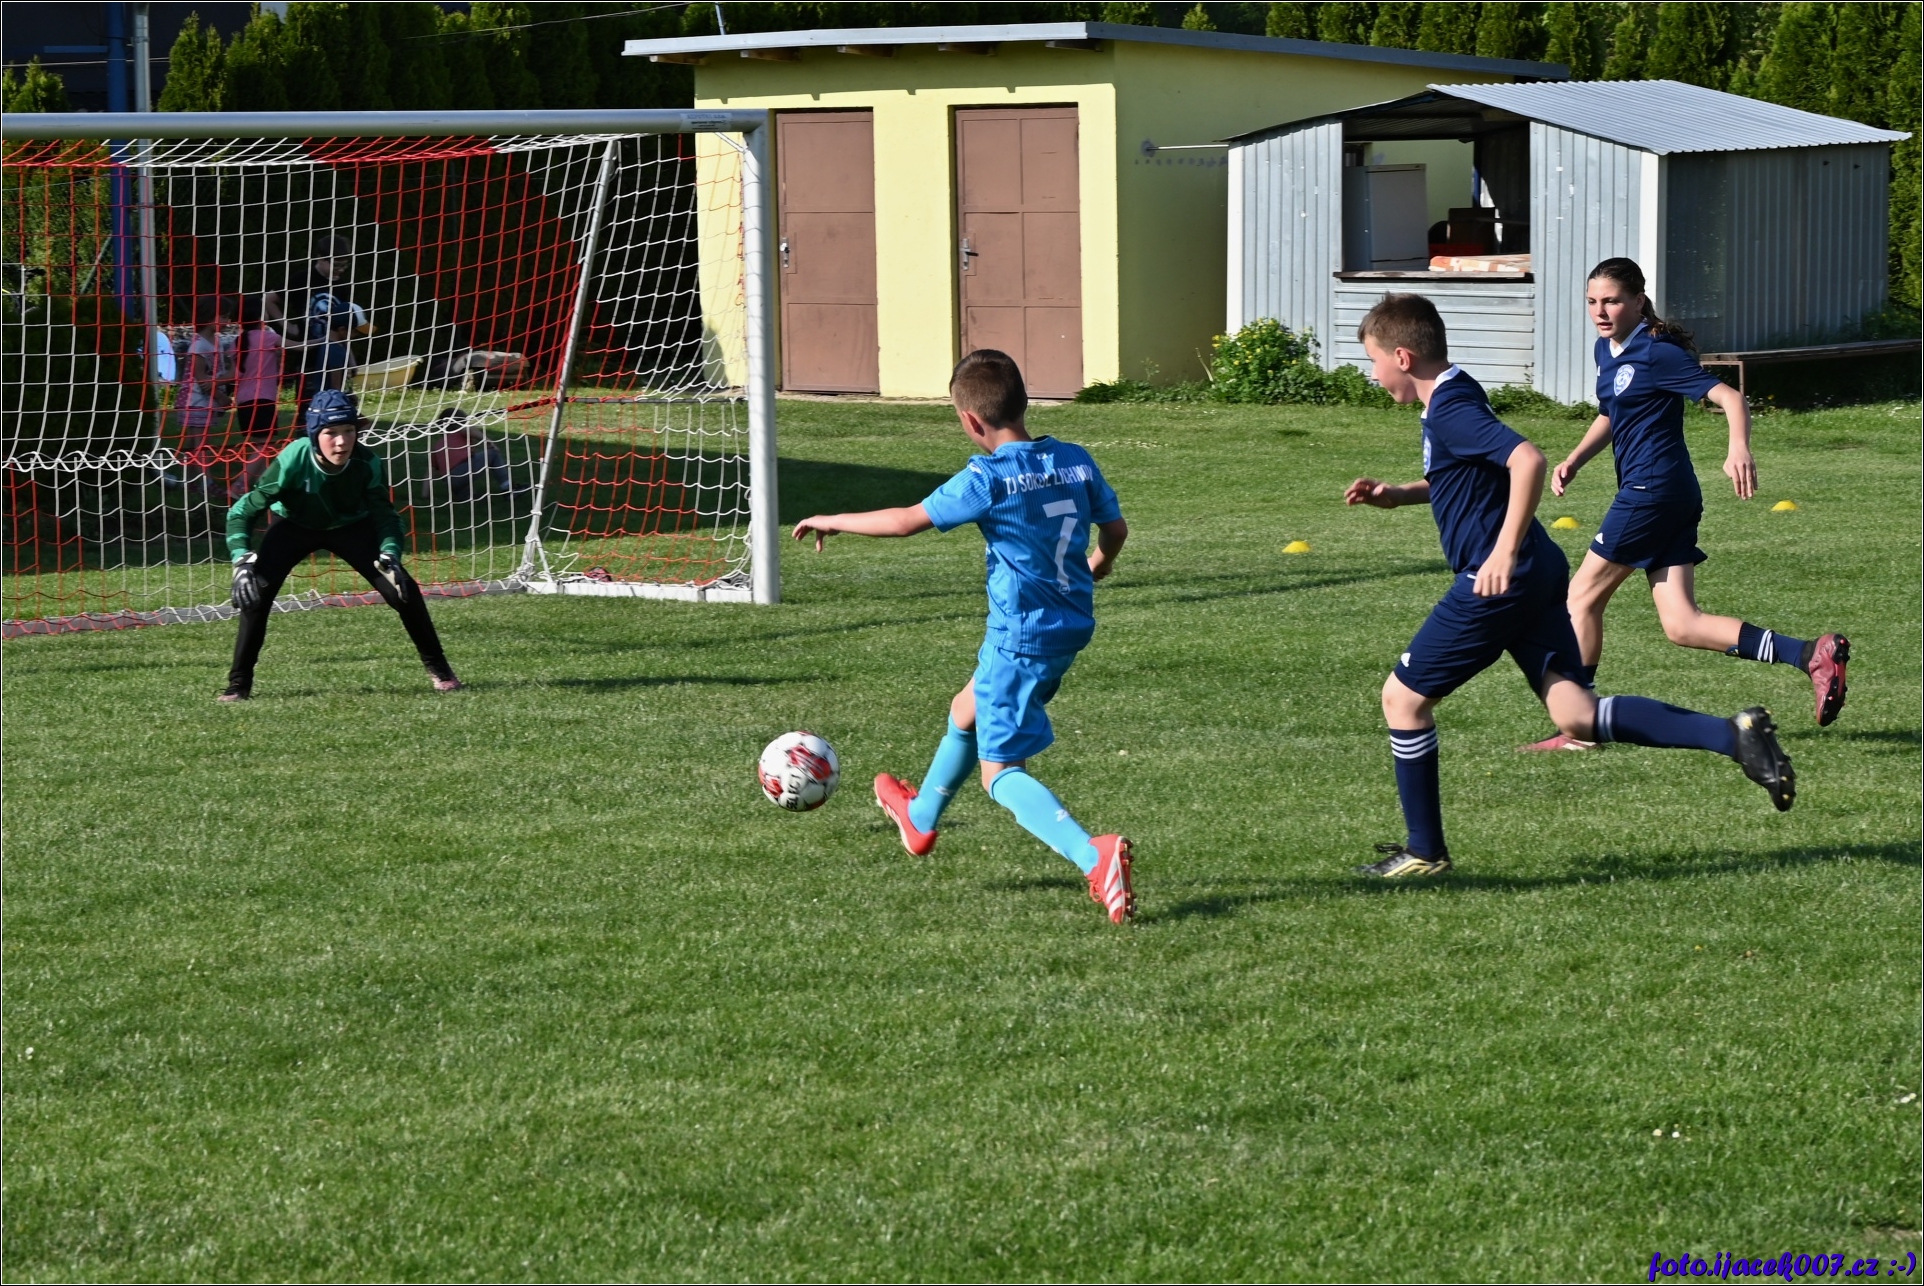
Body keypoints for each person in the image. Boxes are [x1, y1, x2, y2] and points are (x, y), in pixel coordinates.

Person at [1343, 294, 1795, 878]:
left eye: (1374, 361)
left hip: (1498, 577)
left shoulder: (1450, 406)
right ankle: (1734, 736)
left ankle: (1424, 850)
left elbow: (1526, 460)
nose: (1373, 374)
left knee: (1402, 700)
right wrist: (1399, 494)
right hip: (1536, 571)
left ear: (1402, 357)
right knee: (1578, 715)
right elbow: (1467, 474)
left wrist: (1502, 552)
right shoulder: (1454, 394)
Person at [791, 349, 1137, 924]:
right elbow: (1116, 529)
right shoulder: (1075, 459)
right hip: (1070, 624)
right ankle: (920, 817)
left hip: (1021, 637)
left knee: (1000, 773)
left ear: (971, 421)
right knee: (965, 708)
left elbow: (906, 520)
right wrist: (1096, 567)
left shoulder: (988, 478)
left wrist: (833, 518)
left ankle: (1091, 856)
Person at [1521, 257, 1848, 751]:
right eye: (1592, 302)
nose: (1600, 311)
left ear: (1638, 301)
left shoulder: (1658, 353)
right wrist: (1576, 458)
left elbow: (1730, 397)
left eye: (1612, 301)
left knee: (1581, 598)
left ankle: (1578, 729)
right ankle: (1809, 655)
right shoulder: (1607, 349)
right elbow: (1612, 412)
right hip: (1668, 495)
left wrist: (1738, 447)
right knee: (1682, 624)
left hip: (1651, 494)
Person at [222, 388, 462, 702]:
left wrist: (390, 553)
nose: (341, 441)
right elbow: (242, 512)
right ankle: (238, 685)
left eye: (349, 430)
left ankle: (440, 670)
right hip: (294, 525)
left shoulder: (367, 462)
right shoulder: (293, 459)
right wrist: (241, 560)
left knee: (403, 591)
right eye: (331, 433)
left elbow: (386, 518)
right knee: (254, 595)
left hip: (351, 527)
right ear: (313, 435)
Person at [284, 234, 368, 421]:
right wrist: (289, 327)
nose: (341, 270)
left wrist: (351, 359)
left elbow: (346, 329)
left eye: (344, 265)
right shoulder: (302, 279)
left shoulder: (341, 286)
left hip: (331, 350)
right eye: (336, 265)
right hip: (309, 358)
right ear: (321, 259)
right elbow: (270, 300)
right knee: (311, 406)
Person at [227, 291, 286, 501]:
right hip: (262, 399)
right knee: (264, 445)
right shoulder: (269, 337)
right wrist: (324, 339)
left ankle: (261, 487)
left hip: (244, 401)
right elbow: (298, 346)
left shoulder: (237, 342)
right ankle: (239, 486)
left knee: (261, 446)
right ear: (261, 316)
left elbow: (235, 374)